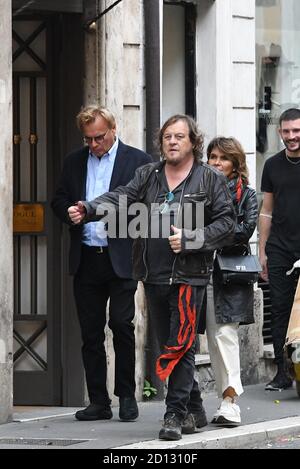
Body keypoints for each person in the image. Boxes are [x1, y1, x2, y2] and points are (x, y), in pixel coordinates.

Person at [68, 114, 235, 440]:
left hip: (190, 276)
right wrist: (89, 209)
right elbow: (121, 197)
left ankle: (174, 414)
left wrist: (191, 239)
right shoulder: (149, 175)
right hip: (153, 275)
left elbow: (227, 224)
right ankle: (195, 407)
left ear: (192, 142)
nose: (172, 142)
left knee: (181, 345)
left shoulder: (209, 179)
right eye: (167, 137)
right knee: (167, 346)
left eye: (179, 137)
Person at [51, 105, 151, 421]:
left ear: (112, 129)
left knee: (121, 325)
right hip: (86, 257)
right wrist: (66, 211)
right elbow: (58, 199)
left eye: (98, 138)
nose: (93, 145)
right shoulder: (74, 162)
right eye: (88, 140)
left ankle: (126, 396)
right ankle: (98, 401)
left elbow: (145, 208)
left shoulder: (138, 161)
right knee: (91, 332)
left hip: (121, 257)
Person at [206, 137, 258, 426]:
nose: (216, 163)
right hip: (201, 270)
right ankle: (221, 401)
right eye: (212, 156)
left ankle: (231, 402)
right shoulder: (200, 191)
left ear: (235, 164)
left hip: (229, 273)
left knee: (225, 335)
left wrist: (208, 232)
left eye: (223, 158)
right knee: (212, 341)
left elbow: (243, 230)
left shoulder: (247, 195)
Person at [259, 107, 300, 391]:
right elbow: (266, 211)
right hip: (280, 248)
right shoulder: (272, 165)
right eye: (286, 131)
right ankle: (282, 373)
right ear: (279, 133)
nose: (291, 136)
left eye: (296, 131)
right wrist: (262, 251)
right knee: (280, 309)